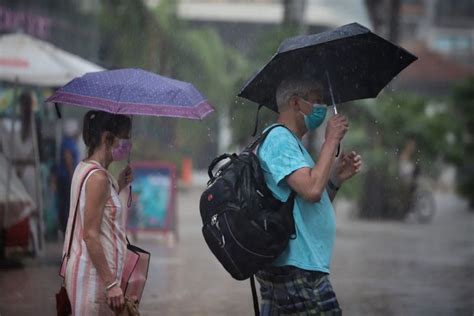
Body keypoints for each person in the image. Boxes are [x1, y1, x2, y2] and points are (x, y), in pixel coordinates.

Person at [255, 78, 362, 315]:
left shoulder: (291, 143)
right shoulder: (279, 140)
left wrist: (334, 179)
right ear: (295, 103)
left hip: (296, 265)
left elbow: (305, 205)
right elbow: (313, 190)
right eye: (316, 100)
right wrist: (331, 140)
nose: (321, 108)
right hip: (296, 268)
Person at [62, 110, 133, 315]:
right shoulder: (98, 178)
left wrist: (119, 184)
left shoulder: (88, 169)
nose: (127, 145)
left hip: (94, 274)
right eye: (125, 139)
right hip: (93, 277)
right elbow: (90, 234)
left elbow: (99, 210)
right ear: (107, 139)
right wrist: (111, 284)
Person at [57, 119, 80, 234]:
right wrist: (72, 177)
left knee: (66, 202)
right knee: (66, 203)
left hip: (65, 177)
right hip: (66, 178)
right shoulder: (68, 142)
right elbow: (68, 160)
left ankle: (66, 227)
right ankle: (65, 228)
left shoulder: (69, 142)